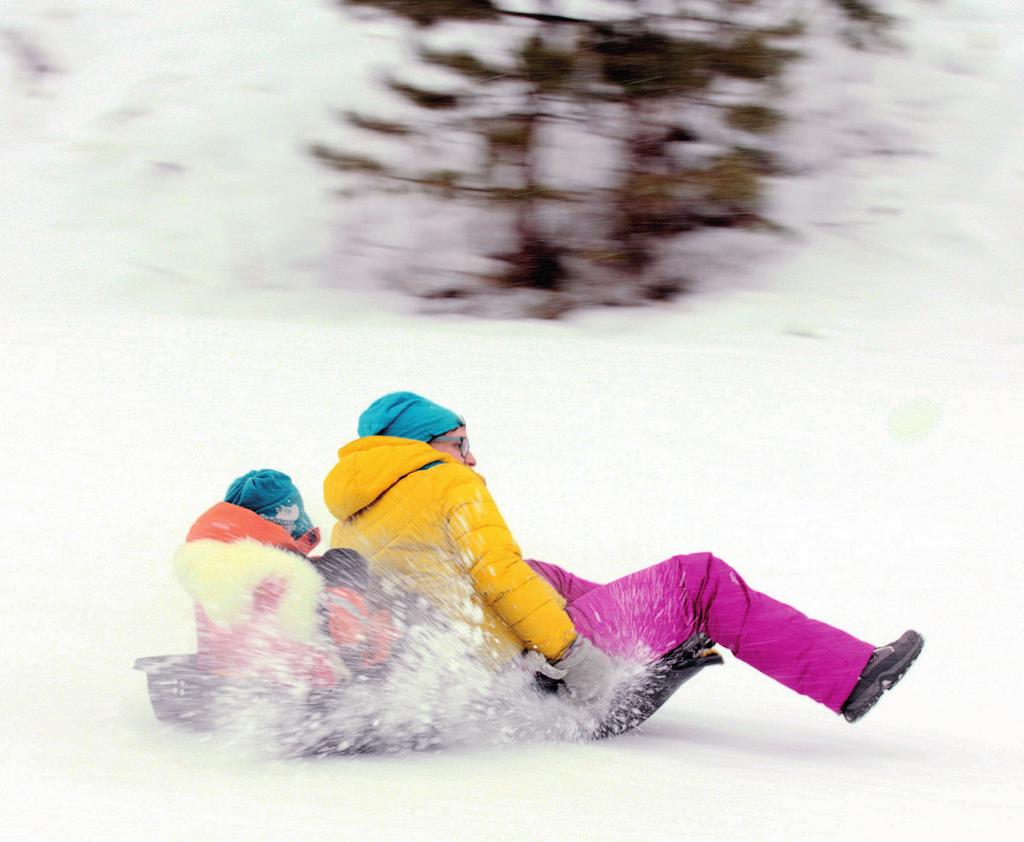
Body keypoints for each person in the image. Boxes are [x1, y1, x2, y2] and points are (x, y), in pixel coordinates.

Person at [323, 392, 924, 724]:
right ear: (423, 446)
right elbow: (497, 577)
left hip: (470, 659)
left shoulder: (350, 514)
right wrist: (572, 656)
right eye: (460, 444)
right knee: (701, 577)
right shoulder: (448, 484)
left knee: (544, 574)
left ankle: (657, 638)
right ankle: (851, 677)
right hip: (527, 667)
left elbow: (486, 581)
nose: (472, 458)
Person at [175, 468, 395, 688]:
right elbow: (345, 635)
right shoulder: (294, 573)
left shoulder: (209, 568)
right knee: (345, 562)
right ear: (286, 516)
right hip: (310, 680)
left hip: (230, 674)